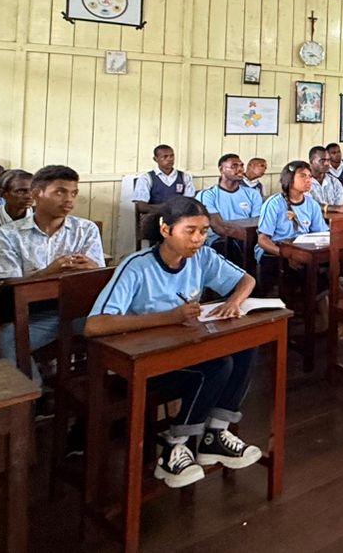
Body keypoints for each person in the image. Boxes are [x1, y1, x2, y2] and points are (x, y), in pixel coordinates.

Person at [86, 196, 263, 489]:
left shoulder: (202, 257)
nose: (198, 239)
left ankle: (214, 434)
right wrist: (170, 317)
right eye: (190, 231)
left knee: (245, 347)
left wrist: (234, 302)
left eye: (204, 231)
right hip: (140, 364)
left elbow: (246, 280)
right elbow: (96, 325)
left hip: (182, 352)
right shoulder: (137, 266)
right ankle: (174, 446)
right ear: (166, 230)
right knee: (218, 366)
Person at [0, 165, 106, 370]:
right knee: (6, 341)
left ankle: (95, 391)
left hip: (78, 310)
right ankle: (33, 396)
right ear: (36, 194)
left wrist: (93, 268)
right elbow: (5, 287)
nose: (69, 200)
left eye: (73, 193)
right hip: (33, 315)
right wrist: (50, 272)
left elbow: (98, 277)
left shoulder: (85, 229)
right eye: (60, 192)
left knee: (117, 328)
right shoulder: (5, 235)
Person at [195, 154, 265, 266]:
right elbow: (218, 227)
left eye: (241, 165)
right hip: (219, 239)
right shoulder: (207, 195)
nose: (240, 169)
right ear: (221, 169)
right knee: (231, 247)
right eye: (234, 166)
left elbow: (258, 223)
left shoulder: (253, 194)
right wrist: (248, 239)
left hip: (249, 238)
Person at [132, 144, 196, 217]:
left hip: (178, 219)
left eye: (172, 156)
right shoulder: (146, 178)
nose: (169, 159)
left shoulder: (185, 177)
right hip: (153, 218)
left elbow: (189, 203)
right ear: (155, 159)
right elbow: (141, 207)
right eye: (165, 157)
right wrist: (168, 210)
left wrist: (157, 207)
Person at [306, 145, 343, 214]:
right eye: (322, 160)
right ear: (311, 161)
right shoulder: (304, 182)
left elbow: (340, 207)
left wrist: (341, 209)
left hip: (332, 220)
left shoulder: (335, 182)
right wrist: (337, 208)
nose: (327, 163)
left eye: (328, 160)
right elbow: (307, 205)